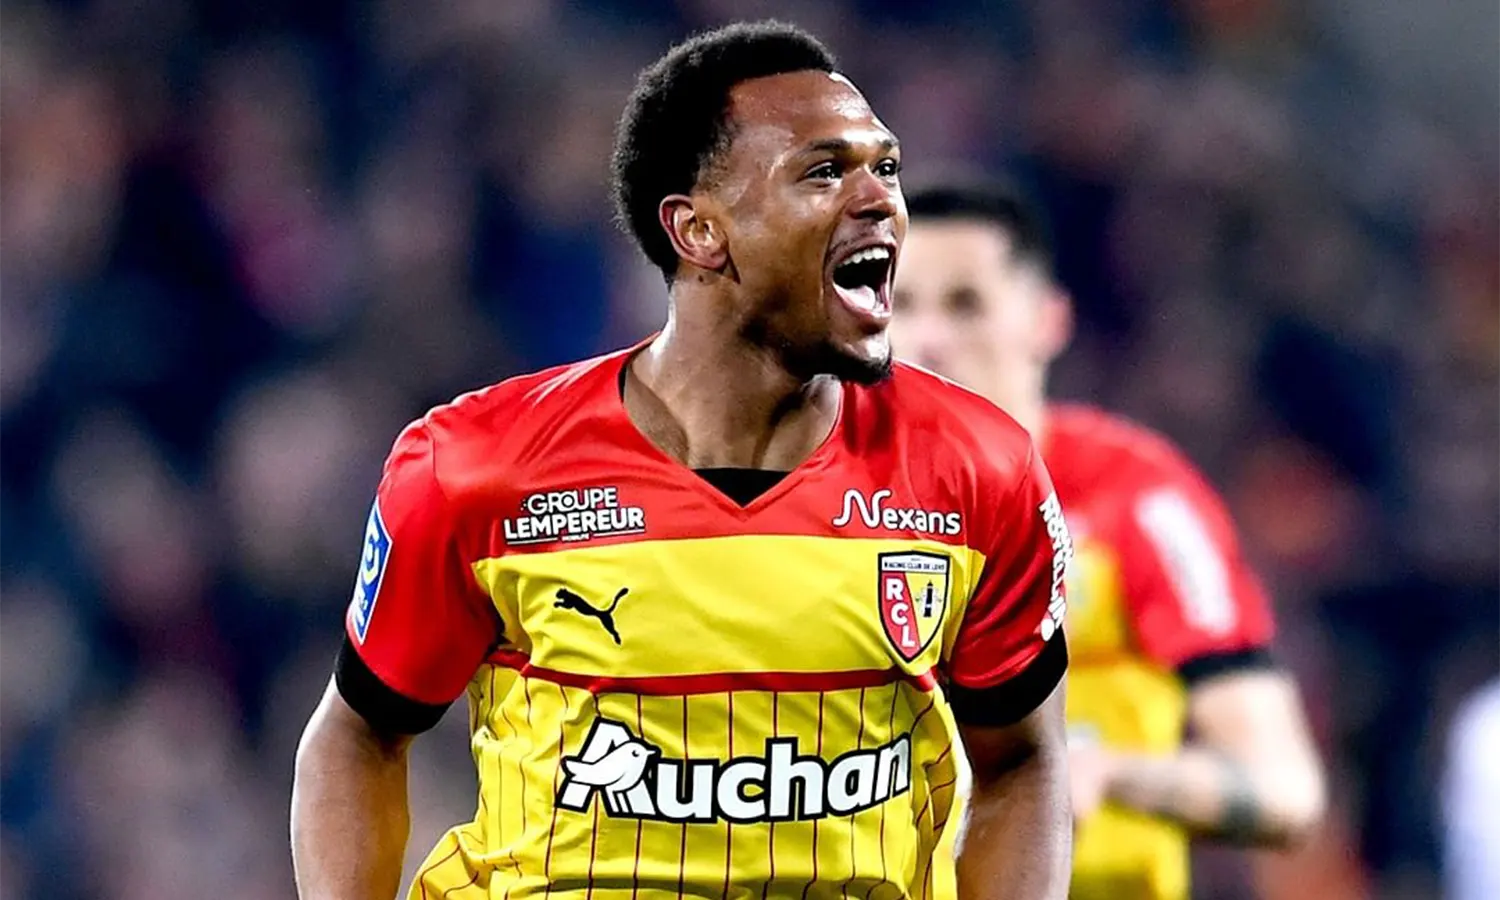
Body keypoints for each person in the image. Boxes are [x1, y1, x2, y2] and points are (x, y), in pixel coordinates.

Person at [291, 23, 1075, 900]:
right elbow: (360, 733)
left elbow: (1021, 763)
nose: (881, 201)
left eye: (885, 168)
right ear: (699, 231)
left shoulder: (978, 468)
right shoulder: (476, 466)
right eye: (824, 172)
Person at [889, 179, 1325, 900]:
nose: (929, 338)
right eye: (902, 305)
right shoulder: (833, 506)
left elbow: (1285, 791)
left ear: (1047, 321)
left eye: (966, 304)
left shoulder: (1140, 497)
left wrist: (1107, 773)